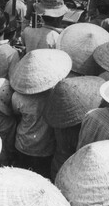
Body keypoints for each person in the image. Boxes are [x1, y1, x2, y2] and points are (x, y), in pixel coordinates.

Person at [10, 49, 71, 178]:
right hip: (46, 146)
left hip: (23, 143)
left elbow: (16, 113)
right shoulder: (55, 94)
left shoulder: (17, 96)